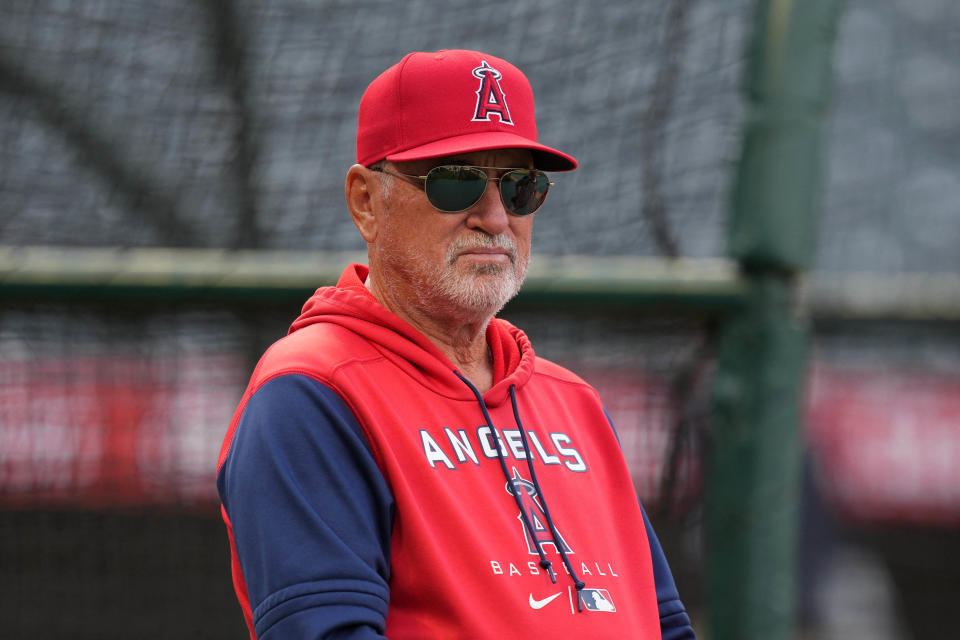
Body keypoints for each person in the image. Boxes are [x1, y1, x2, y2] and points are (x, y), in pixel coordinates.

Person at [217, 49, 696, 639]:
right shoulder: (312, 391)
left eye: (520, 186)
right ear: (367, 201)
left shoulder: (574, 402)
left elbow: (664, 625)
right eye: (455, 182)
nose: (494, 216)